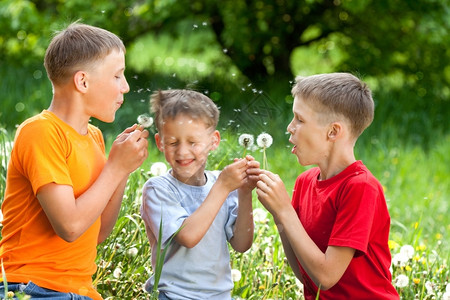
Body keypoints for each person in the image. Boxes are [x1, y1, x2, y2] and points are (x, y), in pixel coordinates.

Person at [0, 22, 149, 300]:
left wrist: (122, 169)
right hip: (30, 287)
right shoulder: (41, 132)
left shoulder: (94, 137)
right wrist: (115, 167)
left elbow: (99, 231)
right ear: (82, 81)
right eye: (117, 76)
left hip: (80, 291)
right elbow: (69, 227)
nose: (126, 87)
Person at [253, 73, 399, 299]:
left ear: (333, 131)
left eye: (299, 119)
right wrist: (279, 215)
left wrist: (284, 210)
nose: (289, 127)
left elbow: (326, 277)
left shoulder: (360, 187)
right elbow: (307, 276)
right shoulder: (305, 182)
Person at [140, 89, 259, 300]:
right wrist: (223, 187)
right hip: (174, 296)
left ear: (214, 141)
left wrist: (244, 193)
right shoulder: (158, 189)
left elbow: (242, 244)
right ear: (159, 142)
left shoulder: (222, 185)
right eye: (173, 143)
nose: (183, 152)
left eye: (193, 142)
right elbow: (188, 237)